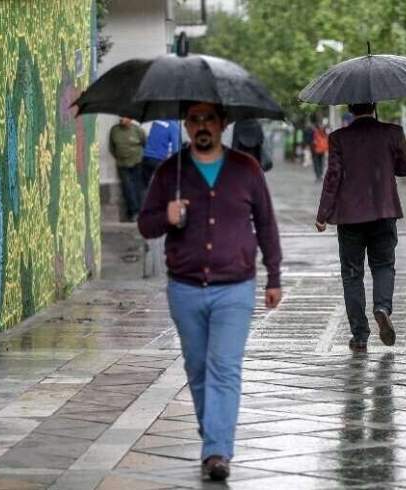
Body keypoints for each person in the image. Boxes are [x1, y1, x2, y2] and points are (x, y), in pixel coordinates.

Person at [137, 102, 282, 481]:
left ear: (223, 124)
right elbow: (145, 224)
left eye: (209, 119)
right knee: (198, 368)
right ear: (186, 126)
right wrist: (165, 216)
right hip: (185, 289)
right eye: (195, 120)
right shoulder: (171, 172)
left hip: (235, 288)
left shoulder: (245, 169)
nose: (202, 126)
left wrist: (274, 277)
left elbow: (266, 223)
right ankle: (213, 435)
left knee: (224, 368)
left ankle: (217, 450)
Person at [315, 102, 406, 353]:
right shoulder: (392, 132)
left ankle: (359, 336)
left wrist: (322, 214)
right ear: (375, 105)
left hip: (350, 217)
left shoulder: (338, 138)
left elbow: (333, 178)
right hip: (384, 212)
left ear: (350, 107)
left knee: (352, 274)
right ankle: (382, 307)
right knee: (383, 266)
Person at [109, 117, 146, 221]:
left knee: (138, 187)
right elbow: (111, 147)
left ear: (130, 119)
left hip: (137, 162)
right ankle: (134, 212)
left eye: (124, 117)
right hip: (122, 164)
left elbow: (144, 142)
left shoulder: (137, 130)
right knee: (128, 188)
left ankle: (140, 211)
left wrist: (138, 155)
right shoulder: (114, 130)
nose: (121, 119)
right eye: (120, 118)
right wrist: (118, 156)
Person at [141, 119, 180, 189]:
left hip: (146, 156)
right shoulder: (173, 125)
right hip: (158, 159)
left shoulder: (156, 122)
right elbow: (175, 148)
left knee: (146, 185)